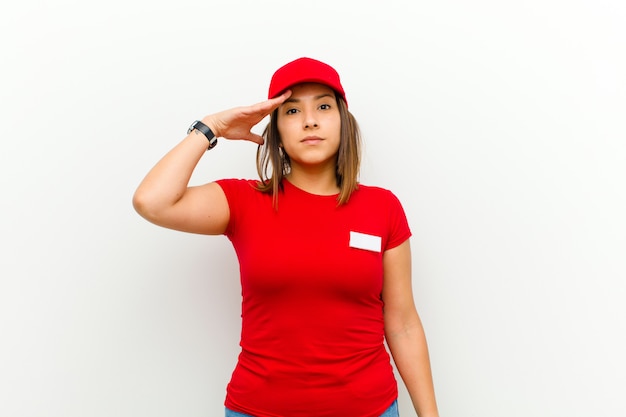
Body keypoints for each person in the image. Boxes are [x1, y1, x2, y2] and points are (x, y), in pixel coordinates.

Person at [133, 57, 439, 417]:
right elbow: (151, 201)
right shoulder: (244, 201)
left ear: (343, 120)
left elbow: (402, 324)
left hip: (368, 409)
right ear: (276, 129)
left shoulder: (382, 207)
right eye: (292, 111)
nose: (309, 120)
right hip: (259, 408)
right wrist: (211, 126)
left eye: (324, 106)